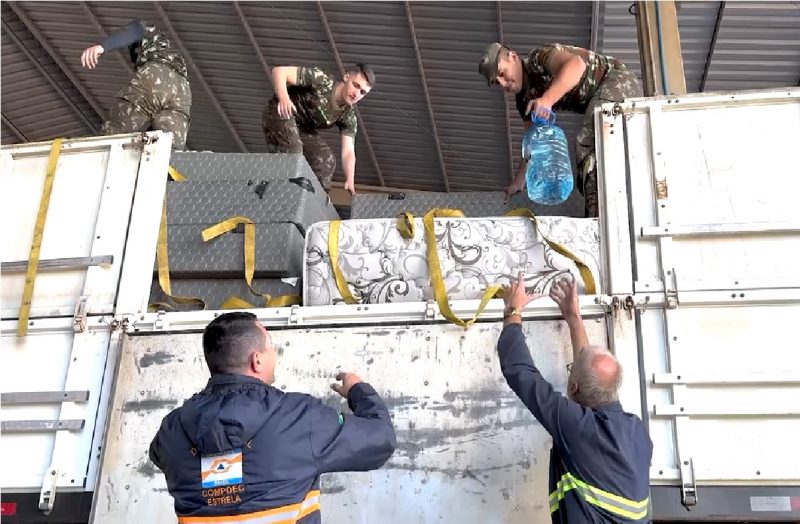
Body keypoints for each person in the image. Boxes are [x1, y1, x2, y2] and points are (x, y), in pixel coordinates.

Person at [149, 311, 396, 522]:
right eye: (270, 347)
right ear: (257, 360)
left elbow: (161, 456)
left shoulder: (172, 430)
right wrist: (357, 389)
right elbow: (380, 439)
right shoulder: (299, 417)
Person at [497, 274, 652, 522]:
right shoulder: (637, 432)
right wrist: (574, 318)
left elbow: (519, 370)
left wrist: (512, 309)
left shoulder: (577, 429)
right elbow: (589, 374)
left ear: (574, 387)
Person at [479, 43, 642, 217]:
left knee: (587, 141)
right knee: (587, 152)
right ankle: (597, 207)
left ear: (512, 56)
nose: (504, 84)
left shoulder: (538, 58)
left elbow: (577, 65)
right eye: (498, 82)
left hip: (615, 80)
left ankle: (601, 212)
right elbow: (532, 143)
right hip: (598, 99)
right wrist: (519, 181)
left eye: (503, 73)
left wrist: (547, 99)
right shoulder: (523, 101)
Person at [263, 63, 375, 193]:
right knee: (294, 149)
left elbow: (348, 152)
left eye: (362, 92)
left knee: (327, 159)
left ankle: (312, 200)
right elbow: (279, 72)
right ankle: (285, 192)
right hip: (280, 112)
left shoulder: (348, 115)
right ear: (346, 77)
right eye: (356, 85)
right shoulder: (322, 80)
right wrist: (284, 98)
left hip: (302, 128)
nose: (356, 94)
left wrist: (350, 180)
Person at [81, 20, 191, 150]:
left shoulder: (150, 34)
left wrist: (102, 47)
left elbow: (135, 29)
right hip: (183, 91)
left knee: (115, 136)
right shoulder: (171, 52)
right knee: (168, 152)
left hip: (157, 77)